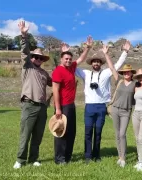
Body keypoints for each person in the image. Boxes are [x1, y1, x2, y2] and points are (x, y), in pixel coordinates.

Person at [75, 40, 131, 163]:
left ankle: (97, 155)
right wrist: (87, 49)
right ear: (91, 63)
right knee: (88, 132)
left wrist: (125, 52)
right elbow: (73, 66)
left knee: (98, 132)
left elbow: (117, 65)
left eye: (98, 62)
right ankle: (88, 156)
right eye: (94, 61)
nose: (96, 63)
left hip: (101, 106)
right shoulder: (85, 73)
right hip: (89, 106)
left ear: (101, 64)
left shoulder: (106, 73)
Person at [13, 21, 52, 169]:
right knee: (25, 134)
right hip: (29, 104)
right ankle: (20, 160)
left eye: (41, 58)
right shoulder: (27, 66)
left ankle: (34, 158)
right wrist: (24, 35)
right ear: (32, 58)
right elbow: (24, 51)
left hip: (42, 107)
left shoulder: (44, 73)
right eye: (36, 57)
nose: (38, 59)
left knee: (38, 135)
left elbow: (53, 83)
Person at [51, 36, 94, 165]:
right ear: (61, 59)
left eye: (70, 59)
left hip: (70, 105)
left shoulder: (71, 68)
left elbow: (81, 59)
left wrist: (87, 48)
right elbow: (55, 91)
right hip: (62, 106)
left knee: (71, 132)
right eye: (66, 59)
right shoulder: (58, 71)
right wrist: (58, 108)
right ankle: (59, 158)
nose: (69, 61)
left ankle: (67, 157)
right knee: (61, 132)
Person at [108, 64, 137, 167]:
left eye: (128, 71)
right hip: (115, 109)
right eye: (124, 72)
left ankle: (123, 158)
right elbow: (112, 68)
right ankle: (120, 156)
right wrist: (106, 54)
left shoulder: (135, 84)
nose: (126, 73)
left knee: (122, 134)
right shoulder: (119, 81)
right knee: (117, 134)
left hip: (126, 111)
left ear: (132, 73)